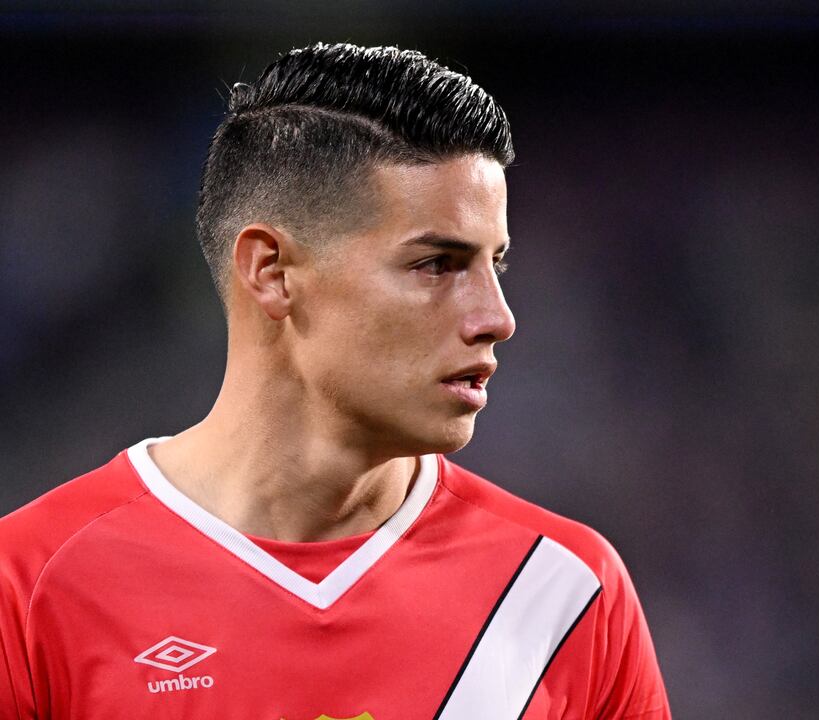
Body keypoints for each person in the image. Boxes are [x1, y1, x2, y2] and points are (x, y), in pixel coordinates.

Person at [0, 42, 670, 719]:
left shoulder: (563, 596)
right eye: (437, 264)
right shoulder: (28, 587)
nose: (497, 318)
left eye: (493, 265)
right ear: (271, 272)